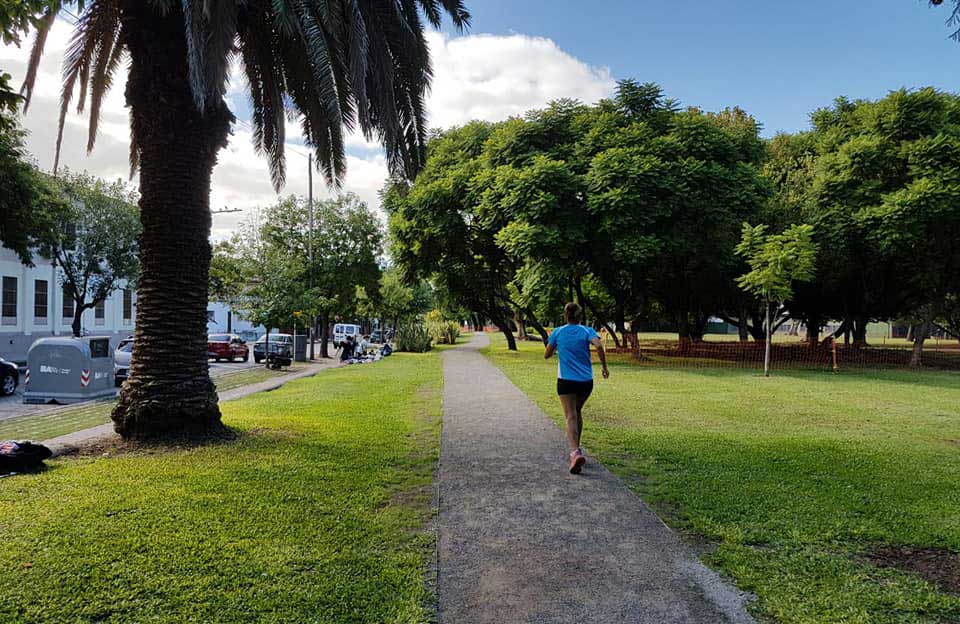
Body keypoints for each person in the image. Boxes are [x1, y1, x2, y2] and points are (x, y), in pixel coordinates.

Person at [544, 302, 609, 474]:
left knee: (570, 415)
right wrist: (604, 367)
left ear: (565, 315)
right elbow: (599, 346)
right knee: (577, 412)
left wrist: (558, 347)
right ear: (580, 316)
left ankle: (574, 453)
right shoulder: (587, 331)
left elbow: (547, 354)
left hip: (566, 380)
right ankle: (577, 447)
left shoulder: (557, 332)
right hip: (586, 381)